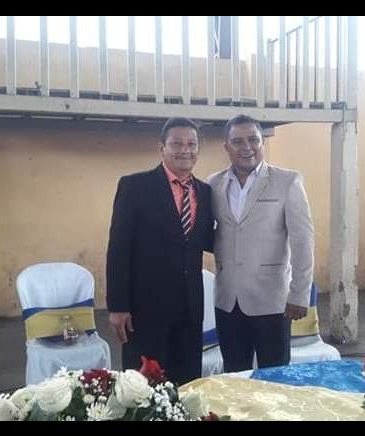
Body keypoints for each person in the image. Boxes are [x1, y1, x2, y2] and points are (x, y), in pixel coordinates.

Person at [106, 117, 214, 386]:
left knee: (187, 386)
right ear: (162, 148)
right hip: (145, 310)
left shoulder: (206, 192)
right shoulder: (135, 186)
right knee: (143, 388)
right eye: (176, 143)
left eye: (191, 144)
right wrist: (118, 306)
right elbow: (119, 248)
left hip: (189, 310)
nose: (185, 150)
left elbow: (205, 240)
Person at [207, 114, 314, 372]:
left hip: (273, 301)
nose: (247, 147)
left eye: (253, 140)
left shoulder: (287, 181)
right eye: (237, 141)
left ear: (262, 142)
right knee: (235, 375)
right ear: (226, 146)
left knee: (275, 376)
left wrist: (299, 294)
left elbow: (303, 240)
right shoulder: (213, 184)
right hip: (227, 300)